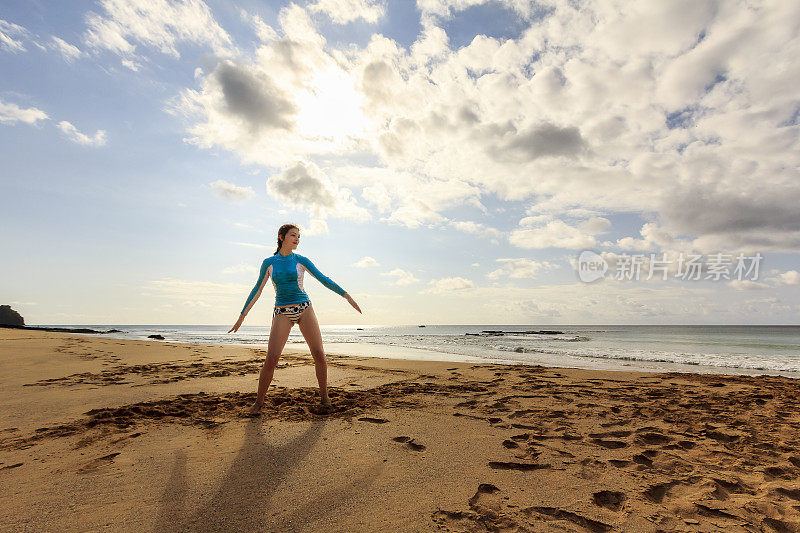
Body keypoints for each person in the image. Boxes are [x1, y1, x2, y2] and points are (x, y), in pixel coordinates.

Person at [228, 224, 362, 416]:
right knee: (272, 358)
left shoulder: (301, 260)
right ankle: (258, 403)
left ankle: (325, 398)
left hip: (304, 308)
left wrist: (346, 295)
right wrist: (242, 316)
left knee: (318, 353)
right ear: (281, 237)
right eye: (293, 235)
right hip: (282, 311)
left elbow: (323, 279)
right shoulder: (269, 262)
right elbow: (257, 289)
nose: (297, 239)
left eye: (299, 236)